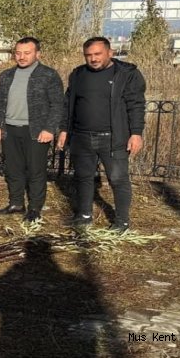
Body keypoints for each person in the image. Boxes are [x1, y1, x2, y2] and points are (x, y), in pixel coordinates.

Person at [57, 37, 145, 232]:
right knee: (83, 177)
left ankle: (121, 222)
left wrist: (136, 133)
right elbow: (68, 104)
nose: (93, 59)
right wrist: (64, 129)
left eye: (98, 54)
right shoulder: (78, 74)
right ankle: (84, 215)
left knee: (118, 179)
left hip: (113, 138)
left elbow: (136, 105)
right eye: (88, 55)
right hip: (81, 137)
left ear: (110, 53)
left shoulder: (127, 74)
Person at [0, 37, 64, 222]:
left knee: (35, 170)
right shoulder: (6, 75)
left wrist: (49, 128)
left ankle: (34, 208)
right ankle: (16, 203)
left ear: (37, 54)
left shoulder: (48, 75)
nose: (21, 57)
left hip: (36, 131)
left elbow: (57, 105)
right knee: (13, 169)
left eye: (27, 53)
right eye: (18, 53)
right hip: (10, 129)